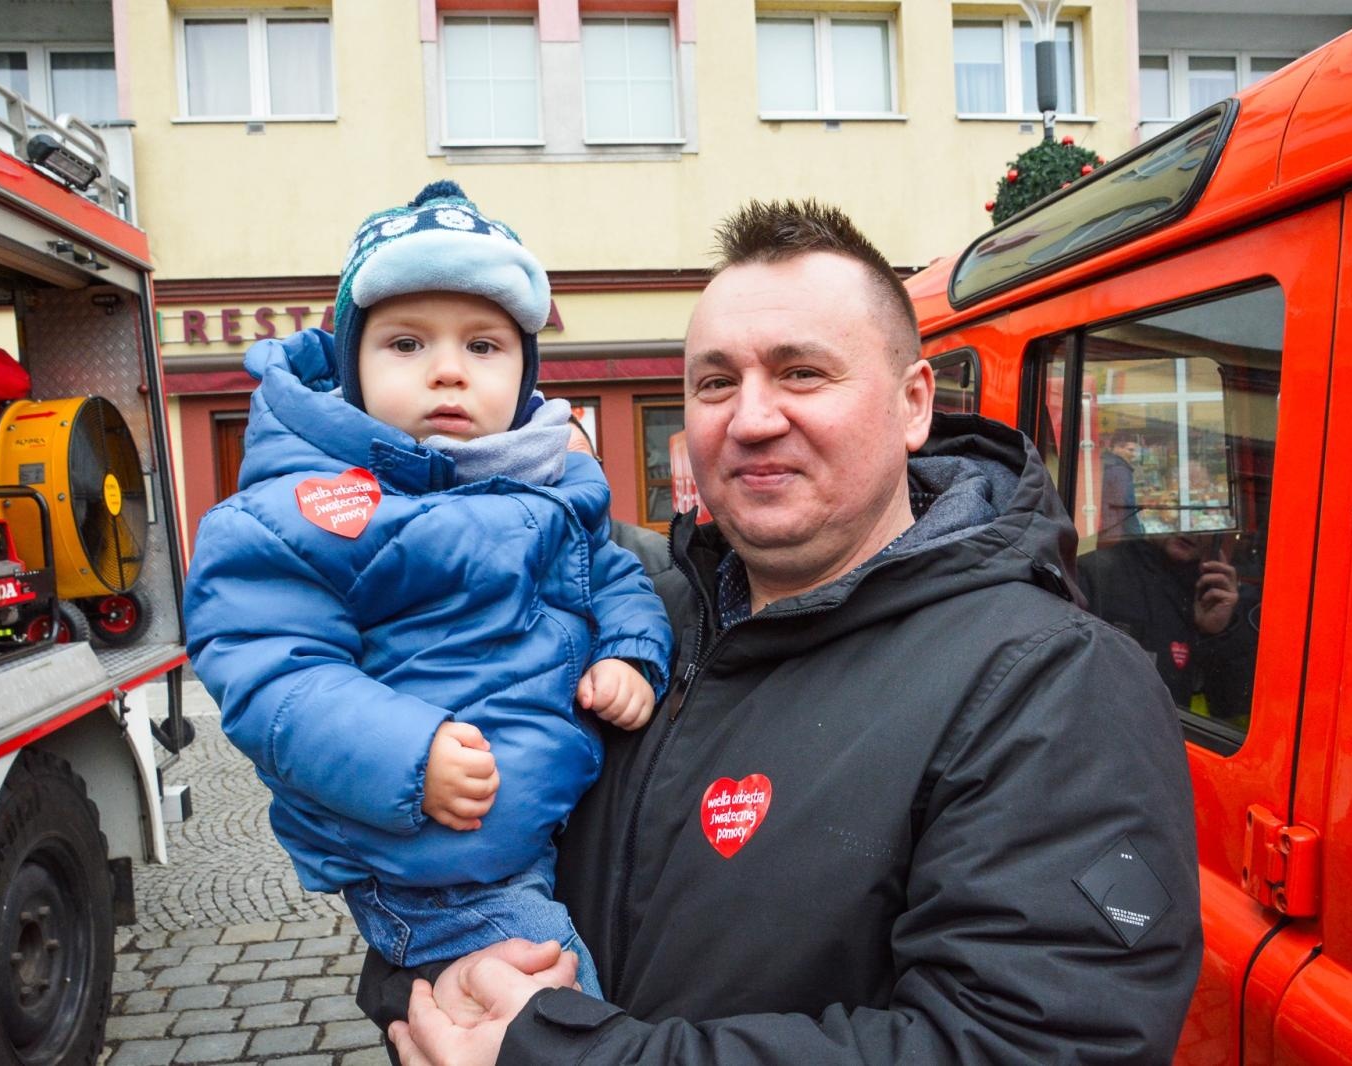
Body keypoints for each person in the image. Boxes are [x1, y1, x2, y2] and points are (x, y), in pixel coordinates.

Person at [364, 198, 1203, 1065]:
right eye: (716, 383)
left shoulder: (1053, 682)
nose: (751, 418)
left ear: (914, 404)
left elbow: (1030, 1043)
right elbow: (435, 864)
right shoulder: (625, 623)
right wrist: (431, 996)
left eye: (802, 373)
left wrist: (557, 1055)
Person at [183, 181, 673, 999]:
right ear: (353, 366)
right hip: (436, 866)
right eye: (407, 345)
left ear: (524, 373)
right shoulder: (298, 506)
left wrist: (630, 653)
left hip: (545, 825)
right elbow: (272, 670)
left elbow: (614, 573)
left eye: (484, 348)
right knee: (554, 1006)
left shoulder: (548, 483)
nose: (448, 371)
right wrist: (412, 755)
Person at [1077, 531, 1260, 724]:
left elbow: (1231, 708)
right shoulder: (1097, 573)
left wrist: (1218, 634)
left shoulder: (1213, 593)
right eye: (1180, 507)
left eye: (1204, 515)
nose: (1190, 527)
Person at [565, 414, 674, 579]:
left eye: (584, 464)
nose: (574, 479)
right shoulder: (516, 572)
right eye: (559, 468)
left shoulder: (656, 557)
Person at [1100, 435, 1145, 541]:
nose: (1134, 454)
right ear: (1117, 448)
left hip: (1108, 527)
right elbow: (1126, 506)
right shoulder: (1119, 470)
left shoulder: (1107, 464)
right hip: (1117, 531)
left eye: (1136, 451)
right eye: (1130, 450)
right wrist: (1137, 535)